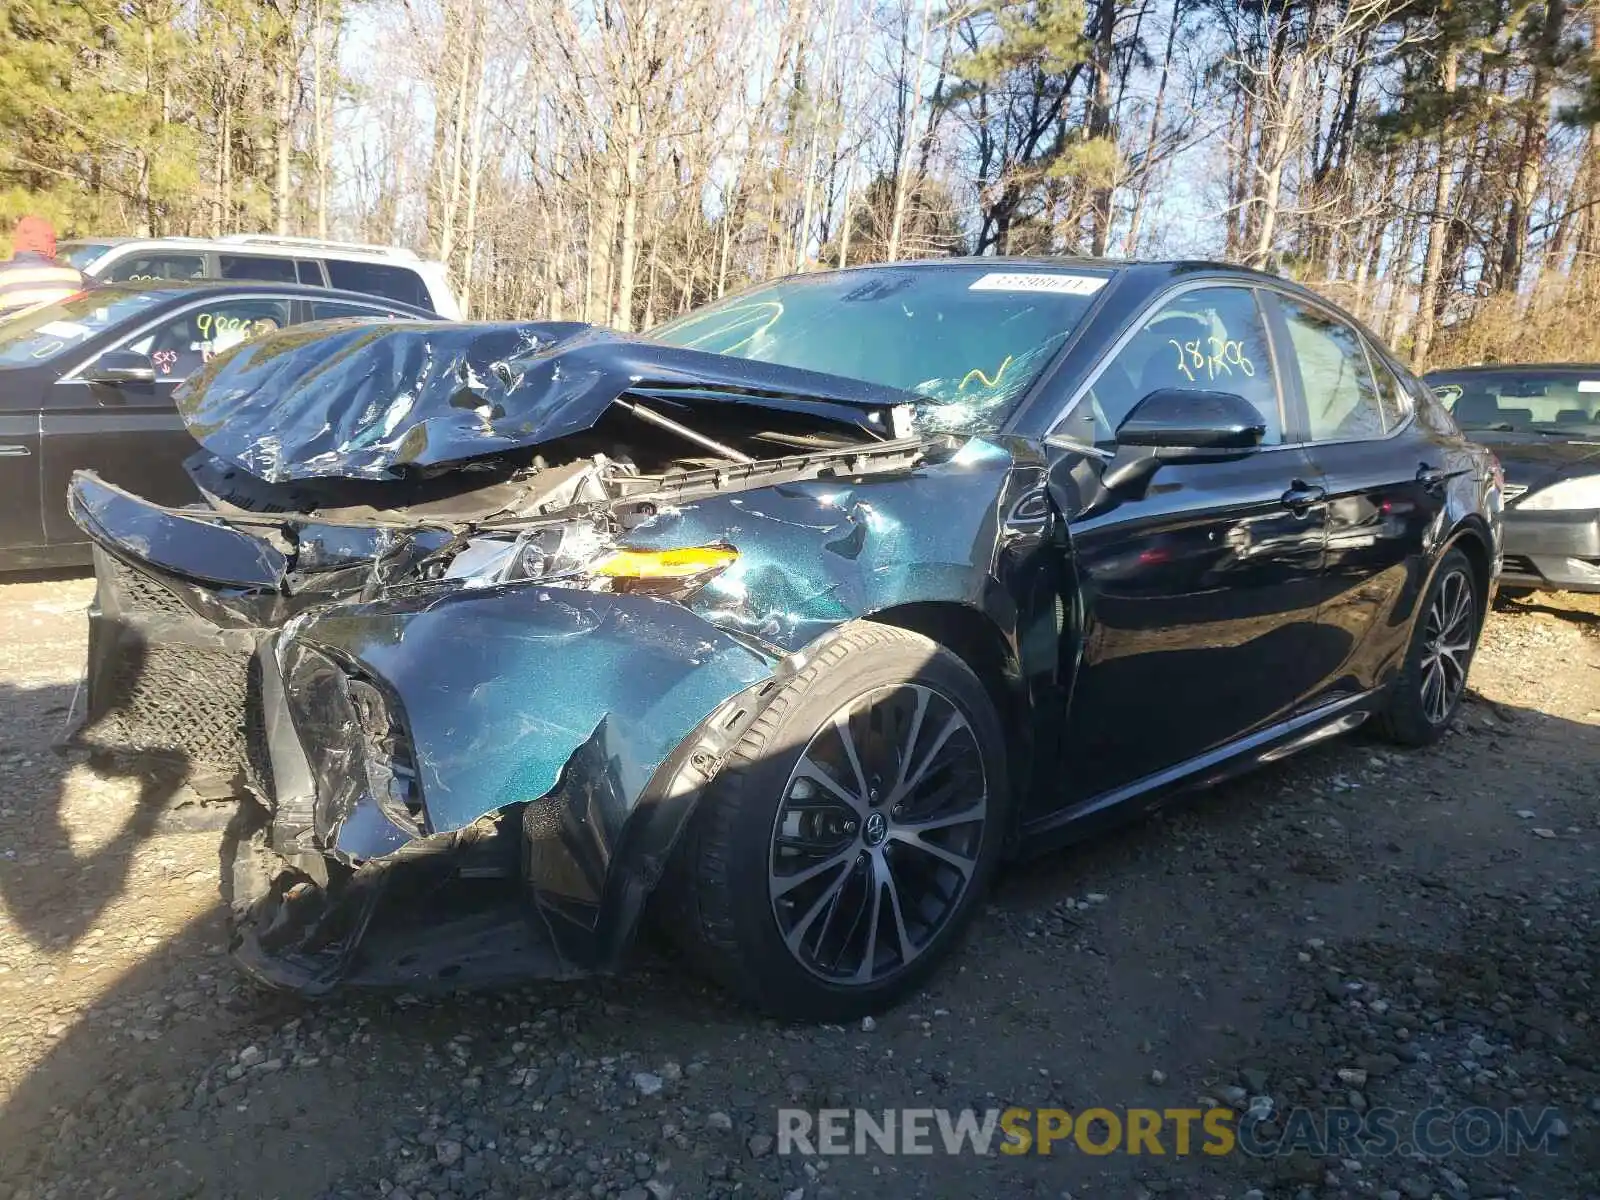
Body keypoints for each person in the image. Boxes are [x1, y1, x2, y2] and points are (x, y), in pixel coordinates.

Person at [0, 216, 90, 317]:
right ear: (32, 242)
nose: (54, 246)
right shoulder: (72, 274)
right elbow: (102, 296)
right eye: (51, 240)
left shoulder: (3, 274)